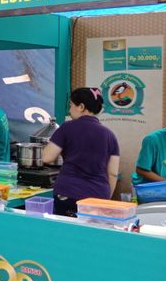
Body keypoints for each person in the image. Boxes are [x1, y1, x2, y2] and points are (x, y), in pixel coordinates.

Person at [42, 88, 119, 217]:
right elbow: (113, 173)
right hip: (98, 196)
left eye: (71, 105)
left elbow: (47, 157)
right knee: (90, 235)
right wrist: (106, 198)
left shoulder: (67, 127)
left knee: (66, 233)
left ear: (81, 107)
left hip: (68, 193)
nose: (69, 109)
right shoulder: (110, 135)